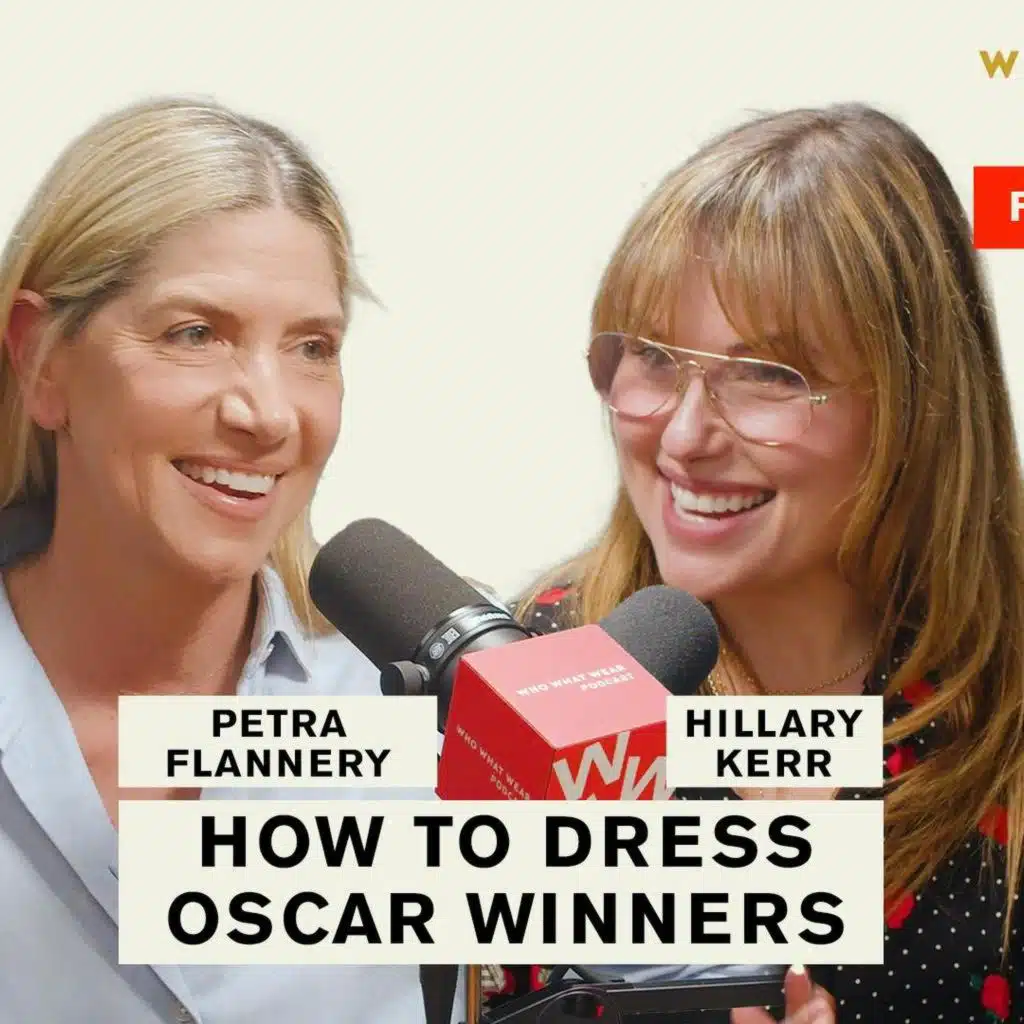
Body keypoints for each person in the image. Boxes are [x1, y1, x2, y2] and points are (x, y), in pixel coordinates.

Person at [513, 103, 1023, 1023]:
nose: (684, 436)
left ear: (917, 406)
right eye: (653, 357)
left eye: (767, 376)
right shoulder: (540, 661)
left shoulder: (1007, 702)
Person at [0, 97, 459, 1024]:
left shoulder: (436, 706)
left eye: (312, 348)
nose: (269, 413)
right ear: (42, 360)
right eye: (195, 334)